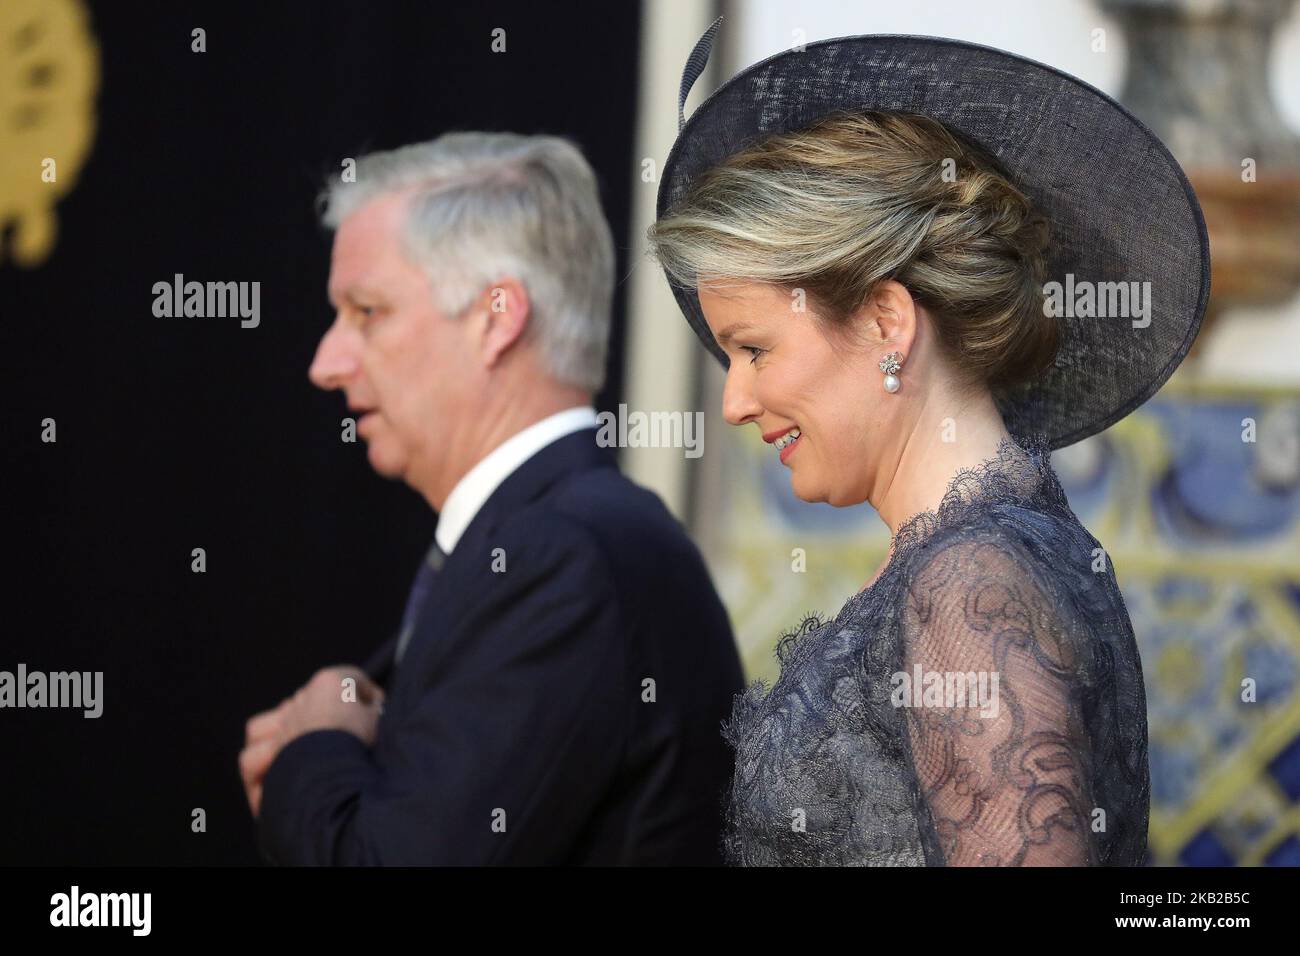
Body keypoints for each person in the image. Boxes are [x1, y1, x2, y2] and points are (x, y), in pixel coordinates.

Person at [647, 21, 1209, 865]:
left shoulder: (970, 585)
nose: (733, 400)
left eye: (755, 349)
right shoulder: (976, 555)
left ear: (886, 320)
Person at [239, 131, 744, 865]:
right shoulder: (559, 538)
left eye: (367, 311)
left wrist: (312, 746)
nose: (326, 363)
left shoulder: (559, 558)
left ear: (496, 317)